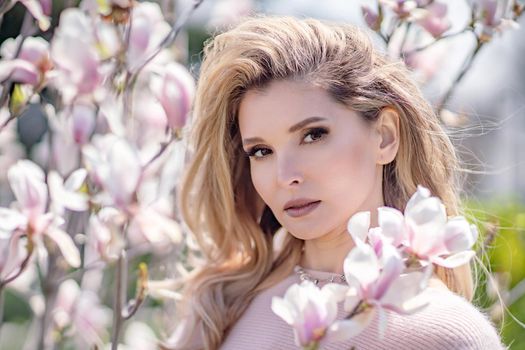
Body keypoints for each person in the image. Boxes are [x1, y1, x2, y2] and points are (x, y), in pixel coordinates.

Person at [163, 15, 505, 350]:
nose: (285, 176)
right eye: (261, 151)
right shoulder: (224, 307)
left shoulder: (445, 334)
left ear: (385, 136)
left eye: (313, 135)